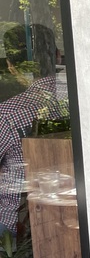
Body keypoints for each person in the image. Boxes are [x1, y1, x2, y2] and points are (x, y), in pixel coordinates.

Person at [0, 24, 67, 234]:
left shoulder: (7, 114)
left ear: (11, 66)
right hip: (76, 214)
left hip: (19, 228)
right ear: (58, 56)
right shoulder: (77, 98)